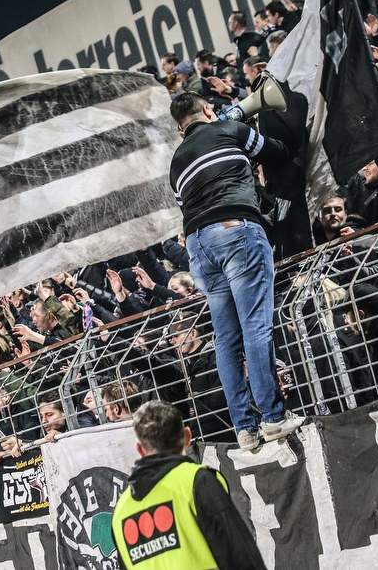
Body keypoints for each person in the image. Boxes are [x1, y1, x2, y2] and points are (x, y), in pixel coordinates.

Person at [168, 92, 303, 451]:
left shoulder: (176, 162)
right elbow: (278, 153)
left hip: (198, 245)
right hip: (236, 229)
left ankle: (245, 428)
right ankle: (274, 418)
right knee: (255, 327)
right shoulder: (229, 130)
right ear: (207, 110)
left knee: (226, 339)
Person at [111, 401, 266, 570]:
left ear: (140, 450)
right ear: (187, 436)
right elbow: (239, 554)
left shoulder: (121, 509)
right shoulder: (198, 481)